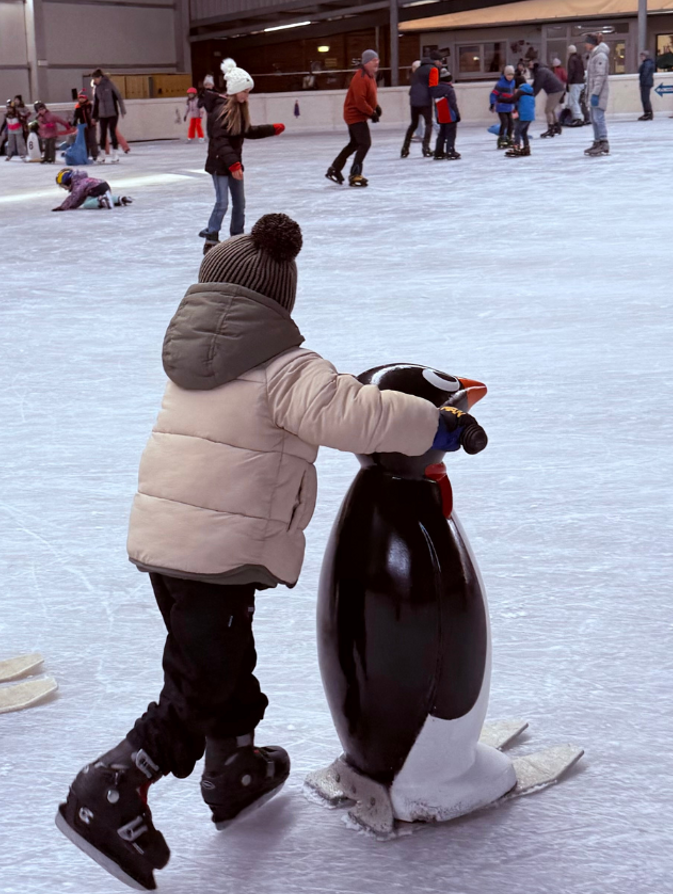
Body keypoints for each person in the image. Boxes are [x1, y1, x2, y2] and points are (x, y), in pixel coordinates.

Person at [53, 212, 489, 892]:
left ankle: (232, 768)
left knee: (223, 658)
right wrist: (439, 421)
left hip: (172, 543)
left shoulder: (193, 357)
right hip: (216, 548)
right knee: (200, 680)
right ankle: (110, 784)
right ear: (279, 299)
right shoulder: (287, 368)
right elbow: (360, 414)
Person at [198, 58, 284, 254]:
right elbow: (220, 141)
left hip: (233, 163)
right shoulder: (222, 111)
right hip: (220, 164)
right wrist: (234, 165)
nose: (247, 95)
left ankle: (237, 236)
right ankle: (211, 236)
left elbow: (247, 131)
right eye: (245, 91)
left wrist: (271, 129)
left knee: (240, 203)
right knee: (222, 203)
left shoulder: (240, 109)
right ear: (236, 89)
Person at [327, 49, 380, 186]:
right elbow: (359, 101)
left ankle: (335, 169)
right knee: (365, 143)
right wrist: (371, 113)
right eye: (374, 60)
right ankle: (355, 174)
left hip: (359, 114)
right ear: (367, 62)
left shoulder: (370, 76)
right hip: (355, 115)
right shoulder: (360, 77)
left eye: (377, 60)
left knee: (355, 144)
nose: (377, 62)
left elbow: (370, 96)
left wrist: (376, 107)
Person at [401, 57, 438, 157]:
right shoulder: (433, 69)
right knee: (428, 124)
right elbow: (433, 86)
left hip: (413, 99)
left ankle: (405, 148)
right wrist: (436, 98)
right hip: (425, 100)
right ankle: (426, 148)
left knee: (413, 124)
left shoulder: (417, 71)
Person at [51, 168, 132, 211]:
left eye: (63, 186)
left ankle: (102, 200)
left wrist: (63, 207)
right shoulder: (82, 180)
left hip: (96, 189)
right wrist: (72, 206)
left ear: (67, 182)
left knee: (87, 204)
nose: (65, 189)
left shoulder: (78, 184)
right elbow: (79, 200)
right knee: (90, 198)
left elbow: (74, 197)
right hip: (104, 185)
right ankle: (119, 199)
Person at [583, 33, 611, 157]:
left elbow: (600, 77)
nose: (585, 45)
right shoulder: (593, 56)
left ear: (592, 44)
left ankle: (604, 142)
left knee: (598, 119)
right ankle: (597, 141)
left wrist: (595, 93)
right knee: (593, 119)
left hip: (599, 93)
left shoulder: (600, 56)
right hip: (593, 92)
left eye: (587, 42)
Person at [91, 69, 126, 160]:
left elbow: (119, 96)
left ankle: (115, 153)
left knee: (112, 132)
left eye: (95, 79)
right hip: (102, 114)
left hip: (112, 113)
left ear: (100, 77)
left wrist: (122, 110)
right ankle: (102, 154)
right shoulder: (96, 88)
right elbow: (96, 102)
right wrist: (94, 116)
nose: (94, 81)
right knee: (102, 133)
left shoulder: (109, 84)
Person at [433, 64, 460, 160]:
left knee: (442, 134)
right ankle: (450, 150)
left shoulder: (435, 90)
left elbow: (435, 105)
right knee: (451, 134)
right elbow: (453, 104)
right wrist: (457, 115)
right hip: (450, 116)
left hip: (441, 116)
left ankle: (438, 151)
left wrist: (437, 117)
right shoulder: (449, 90)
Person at [504, 70, 533, 158]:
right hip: (530, 116)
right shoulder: (530, 93)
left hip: (523, 116)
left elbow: (514, 102)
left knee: (517, 131)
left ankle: (516, 147)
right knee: (523, 132)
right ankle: (526, 147)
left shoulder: (520, 93)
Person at [534, 60, 566, 137]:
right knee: (551, 109)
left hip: (555, 91)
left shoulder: (541, 72)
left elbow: (538, 84)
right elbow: (536, 83)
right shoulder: (544, 70)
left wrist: (532, 94)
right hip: (557, 90)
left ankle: (551, 128)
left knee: (548, 110)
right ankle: (557, 126)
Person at [490, 65, 517, 148]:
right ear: (505, 74)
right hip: (501, 107)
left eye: (511, 75)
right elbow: (493, 94)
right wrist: (492, 104)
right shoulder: (500, 84)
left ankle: (508, 138)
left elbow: (513, 94)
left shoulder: (513, 82)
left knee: (511, 124)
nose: (510, 77)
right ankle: (501, 138)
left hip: (509, 107)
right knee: (504, 122)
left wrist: (515, 105)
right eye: (508, 75)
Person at [565, 44, 587, 126]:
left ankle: (578, 118)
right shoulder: (579, 59)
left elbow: (571, 72)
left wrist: (568, 83)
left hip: (575, 83)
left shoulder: (571, 59)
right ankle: (581, 117)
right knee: (578, 101)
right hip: (581, 82)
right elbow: (582, 71)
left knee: (573, 101)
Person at [2, 97, 29, 162]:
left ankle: (22, 154)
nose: (9, 110)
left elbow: (23, 120)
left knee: (20, 142)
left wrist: (24, 126)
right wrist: (2, 130)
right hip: (10, 130)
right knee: (10, 143)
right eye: (8, 108)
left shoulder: (17, 114)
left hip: (18, 129)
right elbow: (5, 122)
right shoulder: (6, 114)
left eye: (10, 108)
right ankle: (9, 154)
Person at [637, 50, 656, 120]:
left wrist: (642, 82)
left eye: (642, 56)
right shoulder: (648, 63)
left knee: (645, 98)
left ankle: (648, 113)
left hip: (645, 83)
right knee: (645, 98)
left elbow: (645, 73)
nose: (641, 58)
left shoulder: (647, 63)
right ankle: (648, 113)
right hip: (647, 82)